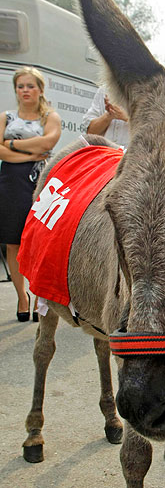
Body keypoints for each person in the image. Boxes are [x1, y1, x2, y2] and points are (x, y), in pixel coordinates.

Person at [0, 66, 61, 321]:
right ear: (16, 90)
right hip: (10, 183)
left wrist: (11, 143)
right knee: (13, 242)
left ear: (40, 89)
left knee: (39, 241)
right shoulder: (6, 117)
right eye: (20, 86)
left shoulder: (50, 117)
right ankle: (22, 298)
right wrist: (31, 151)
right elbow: (0, 152)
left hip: (39, 184)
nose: (25, 90)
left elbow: (48, 143)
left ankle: (38, 297)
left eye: (30, 86)